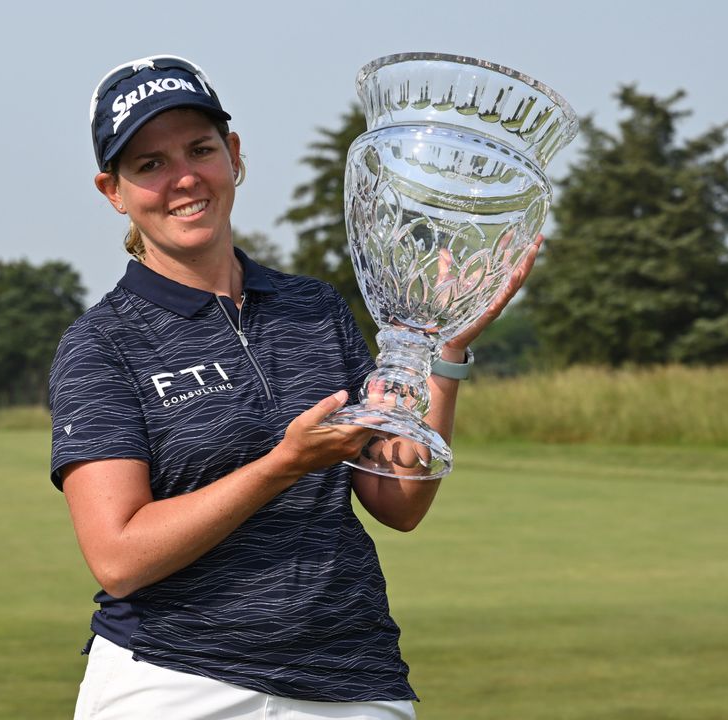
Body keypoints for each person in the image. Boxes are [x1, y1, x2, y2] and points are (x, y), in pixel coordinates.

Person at [49, 54, 542, 720]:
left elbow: (397, 504)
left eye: (200, 149)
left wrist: (443, 347)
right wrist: (283, 465)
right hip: (174, 681)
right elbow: (119, 557)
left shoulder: (312, 307)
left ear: (235, 154)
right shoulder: (102, 343)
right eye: (149, 164)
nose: (184, 178)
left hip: (350, 676)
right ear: (115, 192)